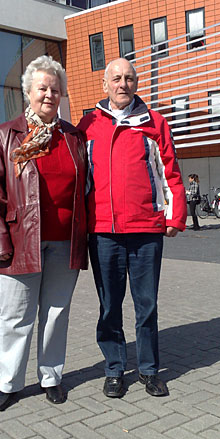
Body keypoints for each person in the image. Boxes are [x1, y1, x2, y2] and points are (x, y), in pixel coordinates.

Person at [0, 55, 87, 411]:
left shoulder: (73, 137)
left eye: (55, 89)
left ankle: (51, 377)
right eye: (42, 87)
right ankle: (9, 383)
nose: (49, 94)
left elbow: (85, 190)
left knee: (56, 313)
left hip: (64, 241)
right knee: (15, 315)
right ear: (28, 92)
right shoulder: (7, 136)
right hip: (21, 242)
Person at [78, 58, 187, 398]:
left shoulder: (155, 123)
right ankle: (114, 369)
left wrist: (174, 216)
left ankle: (149, 369)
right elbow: (78, 179)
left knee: (146, 305)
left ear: (137, 83)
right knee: (109, 305)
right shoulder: (88, 124)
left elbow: (170, 171)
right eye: (116, 78)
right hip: (103, 231)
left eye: (129, 78)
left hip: (145, 230)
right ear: (105, 85)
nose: (122, 84)